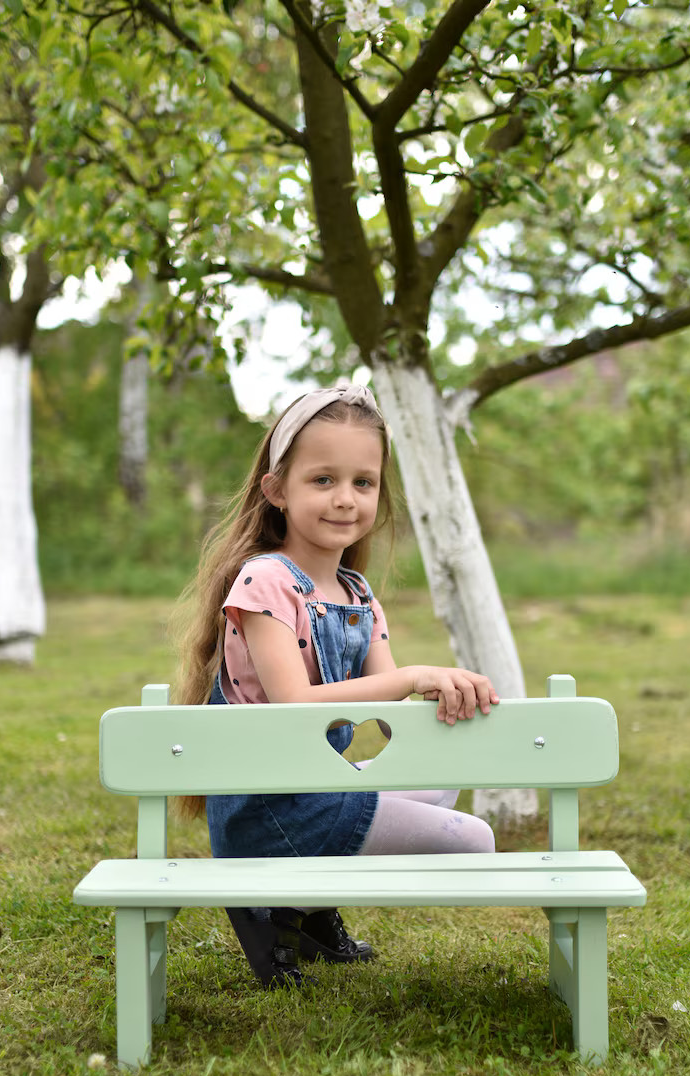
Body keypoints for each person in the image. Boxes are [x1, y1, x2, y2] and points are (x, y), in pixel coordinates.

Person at [174, 384, 497, 989]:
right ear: (277, 490)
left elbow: (387, 705)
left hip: (320, 788)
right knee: (474, 839)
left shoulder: (357, 594)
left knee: (446, 770)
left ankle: (306, 907)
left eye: (363, 482)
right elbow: (295, 707)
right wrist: (413, 675)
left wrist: (442, 691)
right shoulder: (265, 582)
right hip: (271, 806)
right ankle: (276, 906)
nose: (345, 499)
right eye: (322, 480)